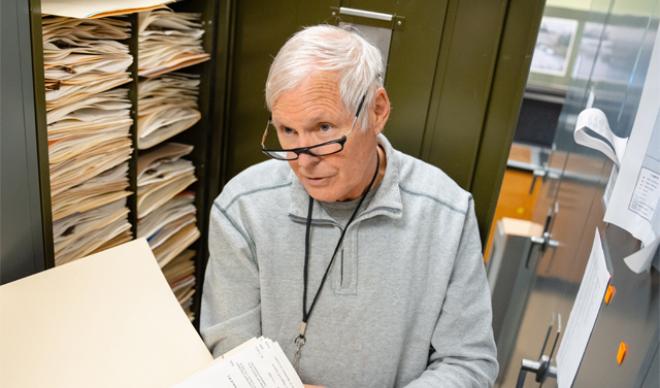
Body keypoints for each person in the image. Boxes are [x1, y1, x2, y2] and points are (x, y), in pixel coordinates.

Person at [201, 24, 498, 387]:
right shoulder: (242, 208)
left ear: (377, 110)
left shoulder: (447, 213)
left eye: (324, 128)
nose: (302, 161)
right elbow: (231, 353)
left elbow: (469, 363)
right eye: (287, 131)